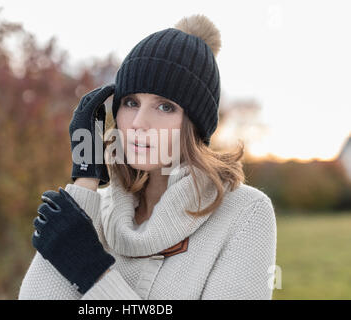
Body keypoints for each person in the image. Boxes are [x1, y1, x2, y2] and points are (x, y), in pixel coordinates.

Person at [18, 14, 277, 300]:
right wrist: (85, 178)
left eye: (165, 107)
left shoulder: (244, 214)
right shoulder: (97, 211)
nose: (139, 122)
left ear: (195, 124)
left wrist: (93, 273)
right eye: (131, 103)